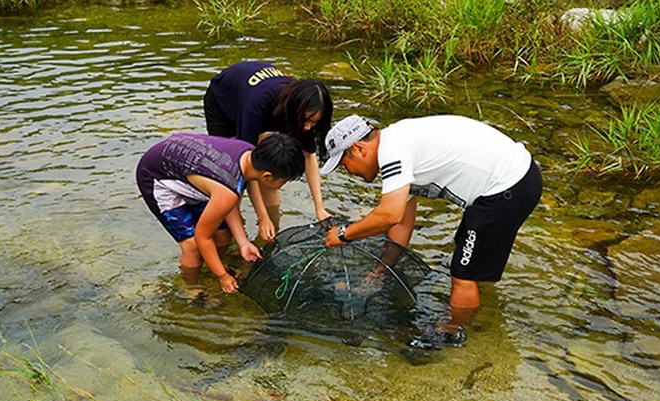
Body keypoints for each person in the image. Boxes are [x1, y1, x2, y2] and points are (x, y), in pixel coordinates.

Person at [320, 114, 542, 350]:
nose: (349, 172)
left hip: (506, 187)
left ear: (359, 148)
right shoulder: (398, 143)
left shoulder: (392, 151)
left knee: (463, 275)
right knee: (467, 257)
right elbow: (401, 222)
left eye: (344, 164)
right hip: (512, 180)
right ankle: (481, 311)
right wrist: (380, 270)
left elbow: (389, 214)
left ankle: (451, 333)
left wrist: (344, 233)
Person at [136, 132, 305, 294]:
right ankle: (192, 287)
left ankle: (212, 267)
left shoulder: (248, 153)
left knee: (223, 235)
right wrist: (222, 276)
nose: (283, 185)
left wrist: (243, 242)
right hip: (157, 176)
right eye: (284, 181)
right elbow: (203, 236)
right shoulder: (227, 189)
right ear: (267, 176)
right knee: (193, 247)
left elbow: (239, 187)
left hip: (188, 168)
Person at [204, 61, 333, 241]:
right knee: (234, 178)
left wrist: (319, 207)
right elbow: (246, 165)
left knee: (273, 170)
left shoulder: (303, 109)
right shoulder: (256, 107)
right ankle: (231, 233)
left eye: (314, 122)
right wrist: (262, 217)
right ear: (294, 110)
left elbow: (309, 155)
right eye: (306, 121)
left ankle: (273, 229)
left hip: (260, 98)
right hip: (223, 99)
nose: (307, 127)